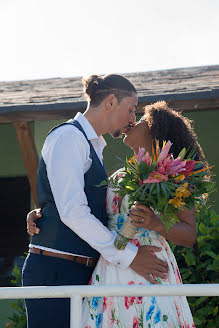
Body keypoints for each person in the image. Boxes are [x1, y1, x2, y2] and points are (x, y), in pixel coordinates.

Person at [23, 75, 168, 328]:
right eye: (131, 109)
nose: (134, 119)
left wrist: (46, 211)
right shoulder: (69, 137)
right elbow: (73, 211)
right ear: (111, 101)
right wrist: (130, 256)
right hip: (57, 270)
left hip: (81, 271)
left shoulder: (92, 146)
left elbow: (71, 204)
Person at [79, 101, 201, 327]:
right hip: (112, 266)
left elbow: (189, 234)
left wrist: (155, 223)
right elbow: (83, 212)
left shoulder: (175, 175)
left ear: (156, 130)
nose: (133, 121)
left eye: (142, 119)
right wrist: (41, 214)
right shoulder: (119, 176)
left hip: (150, 271)